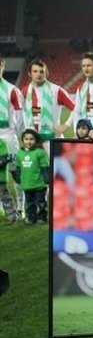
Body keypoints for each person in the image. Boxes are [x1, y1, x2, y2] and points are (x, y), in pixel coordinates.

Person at [19, 59, 75, 141]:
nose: (38, 74)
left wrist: (65, 125)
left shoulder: (56, 90)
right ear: (29, 74)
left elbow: (76, 108)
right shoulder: (24, 91)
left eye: (41, 72)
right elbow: (19, 114)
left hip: (52, 138)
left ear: (46, 73)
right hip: (32, 141)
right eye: (35, 71)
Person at [0, 57, 23, 220]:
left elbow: (20, 113)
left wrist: (17, 131)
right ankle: (2, 208)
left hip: (8, 133)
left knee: (16, 170)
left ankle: (21, 207)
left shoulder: (12, 89)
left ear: (3, 67)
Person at [12, 128, 49, 224]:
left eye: (31, 139)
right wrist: (17, 178)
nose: (29, 141)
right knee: (29, 203)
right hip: (27, 184)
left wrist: (47, 179)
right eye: (26, 139)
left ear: (36, 140)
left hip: (39, 184)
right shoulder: (20, 153)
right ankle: (30, 217)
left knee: (40, 203)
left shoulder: (40, 152)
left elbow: (45, 167)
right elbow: (18, 167)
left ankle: (41, 217)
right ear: (23, 140)